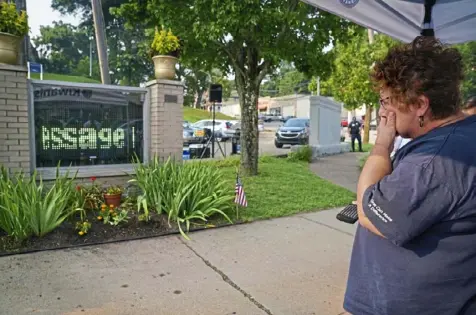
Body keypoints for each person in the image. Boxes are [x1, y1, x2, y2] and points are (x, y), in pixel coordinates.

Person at [344, 36, 476, 315]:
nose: (382, 111)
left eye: (386, 101)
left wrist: (382, 145)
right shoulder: (461, 135)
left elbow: (370, 212)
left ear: (419, 104)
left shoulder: (434, 162)